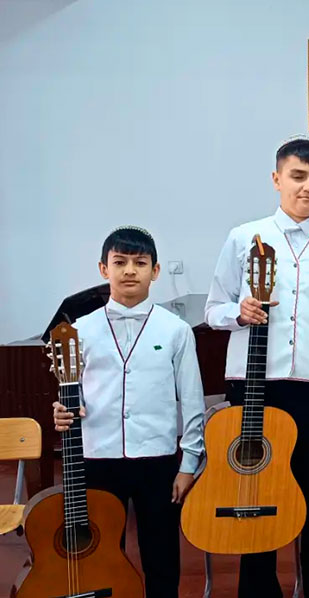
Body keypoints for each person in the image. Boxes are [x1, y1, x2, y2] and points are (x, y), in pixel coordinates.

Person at [204, 137, 309, 598]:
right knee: (256, 500)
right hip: (255, 388)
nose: (308, 187)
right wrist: (239, 312)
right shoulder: (242, 237)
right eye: (298, 176)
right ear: (276, 180)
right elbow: (214, 309)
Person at [51, 226, 205, 598]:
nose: (130, 271)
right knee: (103, 553)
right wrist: (62, 410)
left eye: (140, 263)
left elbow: (193, 401)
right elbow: (72, 395)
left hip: (158, 458)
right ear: (104, 269)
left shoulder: (177, 331)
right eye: (120, 262)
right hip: (98, 456)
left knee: (162, 556)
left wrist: (189, 465)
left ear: (155, 271)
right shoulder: (77, 332)